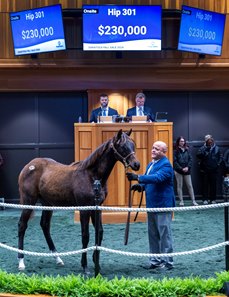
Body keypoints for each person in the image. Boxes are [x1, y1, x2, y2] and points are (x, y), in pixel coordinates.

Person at [126, 141, 175, 271]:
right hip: (152, 205)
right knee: (153, 235)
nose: (153, 150)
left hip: (163, 206)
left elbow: (157, 178)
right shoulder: (151, 164)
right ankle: (155, 261)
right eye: (153, 148)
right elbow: (151, 180)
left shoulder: (166, 165)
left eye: (157, 149)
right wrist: (141, 186)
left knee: (165, 235)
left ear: (164, 152)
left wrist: (138, 177)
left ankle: (168, 262)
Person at [196, 134, 223, 205]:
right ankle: (205, 199)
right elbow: (198, 155)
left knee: (213, 185)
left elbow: (220, 157)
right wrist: (206, 150)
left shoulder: (217, 148)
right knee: (205, 185)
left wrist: (218, 164)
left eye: (210, 139)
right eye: (208, 140)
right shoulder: (202, 148)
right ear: (205, 141)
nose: (210, 141)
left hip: (214, 170)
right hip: (205, 170)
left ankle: (213, 199)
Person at [173, 136, 198, 206]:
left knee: (190, 185)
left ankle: (193, 201)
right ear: (178, 142)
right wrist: (181, 168)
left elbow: (190, 159)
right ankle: (181, 201)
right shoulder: (175, 151)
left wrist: (187, 167)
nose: (182, 142)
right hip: (178, 171)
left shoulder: (187, 150)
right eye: (181, 141)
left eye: (183, 141)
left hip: (187, 170)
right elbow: (174, 162)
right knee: (179, 185)